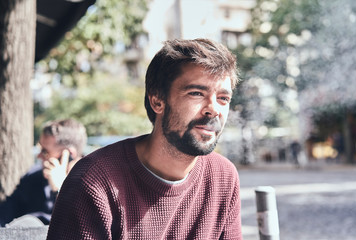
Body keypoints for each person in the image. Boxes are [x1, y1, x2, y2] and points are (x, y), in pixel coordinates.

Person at [47, 38, 242, 239]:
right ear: (157, 101)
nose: (213, 109)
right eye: (196, 93)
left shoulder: (224, 177)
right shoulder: (94, 180)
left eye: (223, 98)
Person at [0, 119, 87, 227]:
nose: (39, 156)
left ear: (69, 154)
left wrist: (60, 189)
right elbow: (6, 211)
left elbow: (81, 225)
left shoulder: (91, 182)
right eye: (40, 148)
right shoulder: (33, 176)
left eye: (45, 151)